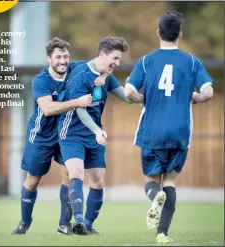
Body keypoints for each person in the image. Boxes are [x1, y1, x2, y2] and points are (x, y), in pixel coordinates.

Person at [124, 11, 214, 244]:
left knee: (152, 180)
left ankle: (155, 195)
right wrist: (193, 96)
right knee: (171, 181)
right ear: (180, 35)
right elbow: (208, 92)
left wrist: (142, 98)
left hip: (152, 131)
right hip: (180, 131)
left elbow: (129, 92)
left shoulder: (146, 61)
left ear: (158, 33)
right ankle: (162, 234)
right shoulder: (192, 61)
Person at [11, 37, 107, 235]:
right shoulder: (41, 80)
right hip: (41, 136)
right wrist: (77, 102)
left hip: (67, 132)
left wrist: (105, 75)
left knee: (68, 175)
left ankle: (64, 224)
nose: (63, 61)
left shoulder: (76, 69)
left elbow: (101, 63)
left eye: (66, 56)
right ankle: (24, 222)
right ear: (49, 59)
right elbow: (47, 109)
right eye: (58, 57)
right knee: (33, 179)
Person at [58, 36, 141, 235]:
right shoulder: (81, 75)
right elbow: (80, 110)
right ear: (102, 55)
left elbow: (127, 98)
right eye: (115, 58)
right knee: (75, 173)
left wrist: (144, 93)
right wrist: (97, 131)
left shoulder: (106, 75)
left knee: (98, 181)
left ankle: (87, 224)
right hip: (72, 132)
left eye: (119, 59)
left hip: (95, 133)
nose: (118, 63)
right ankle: (75, 221)